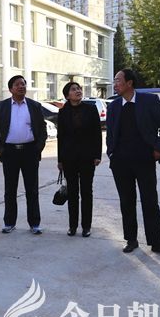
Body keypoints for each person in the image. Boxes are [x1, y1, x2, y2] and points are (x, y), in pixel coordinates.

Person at [107, 69, 160, 257]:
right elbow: (111, 133)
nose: (115, 84)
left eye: (118, 80)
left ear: (129, 83)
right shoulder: (114, 106)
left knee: (150, 201)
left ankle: (156, 243)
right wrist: (111, 152)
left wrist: (159, 148)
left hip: (145, 160)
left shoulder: (149, 100)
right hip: (121, 162)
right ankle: (131, 240)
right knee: (126, 202)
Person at [0, 75, 47, 235]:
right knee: (10, 189)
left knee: (32, 189)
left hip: (30, 152)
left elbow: (42, 129)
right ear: (11, 89)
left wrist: (38, 148)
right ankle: (9, 222)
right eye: (17, 84)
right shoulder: (1, 106)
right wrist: (0, 150)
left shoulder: (34, 106)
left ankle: (34, 223)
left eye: (23, 84)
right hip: (9, 152)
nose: (21, 87)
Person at [57, 82, 102, 237]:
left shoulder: (91, 109)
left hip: (87, 157)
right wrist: (60, 160)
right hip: (69, 158)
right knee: (72, 192)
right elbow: (61, 137)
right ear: (67, 95)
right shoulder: (63, 112)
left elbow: (97, 133)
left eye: (79, 89)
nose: (78, 91)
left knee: (86, 191)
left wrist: (97, 155)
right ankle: (72, 226)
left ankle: (86, 226)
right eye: (74, 89)